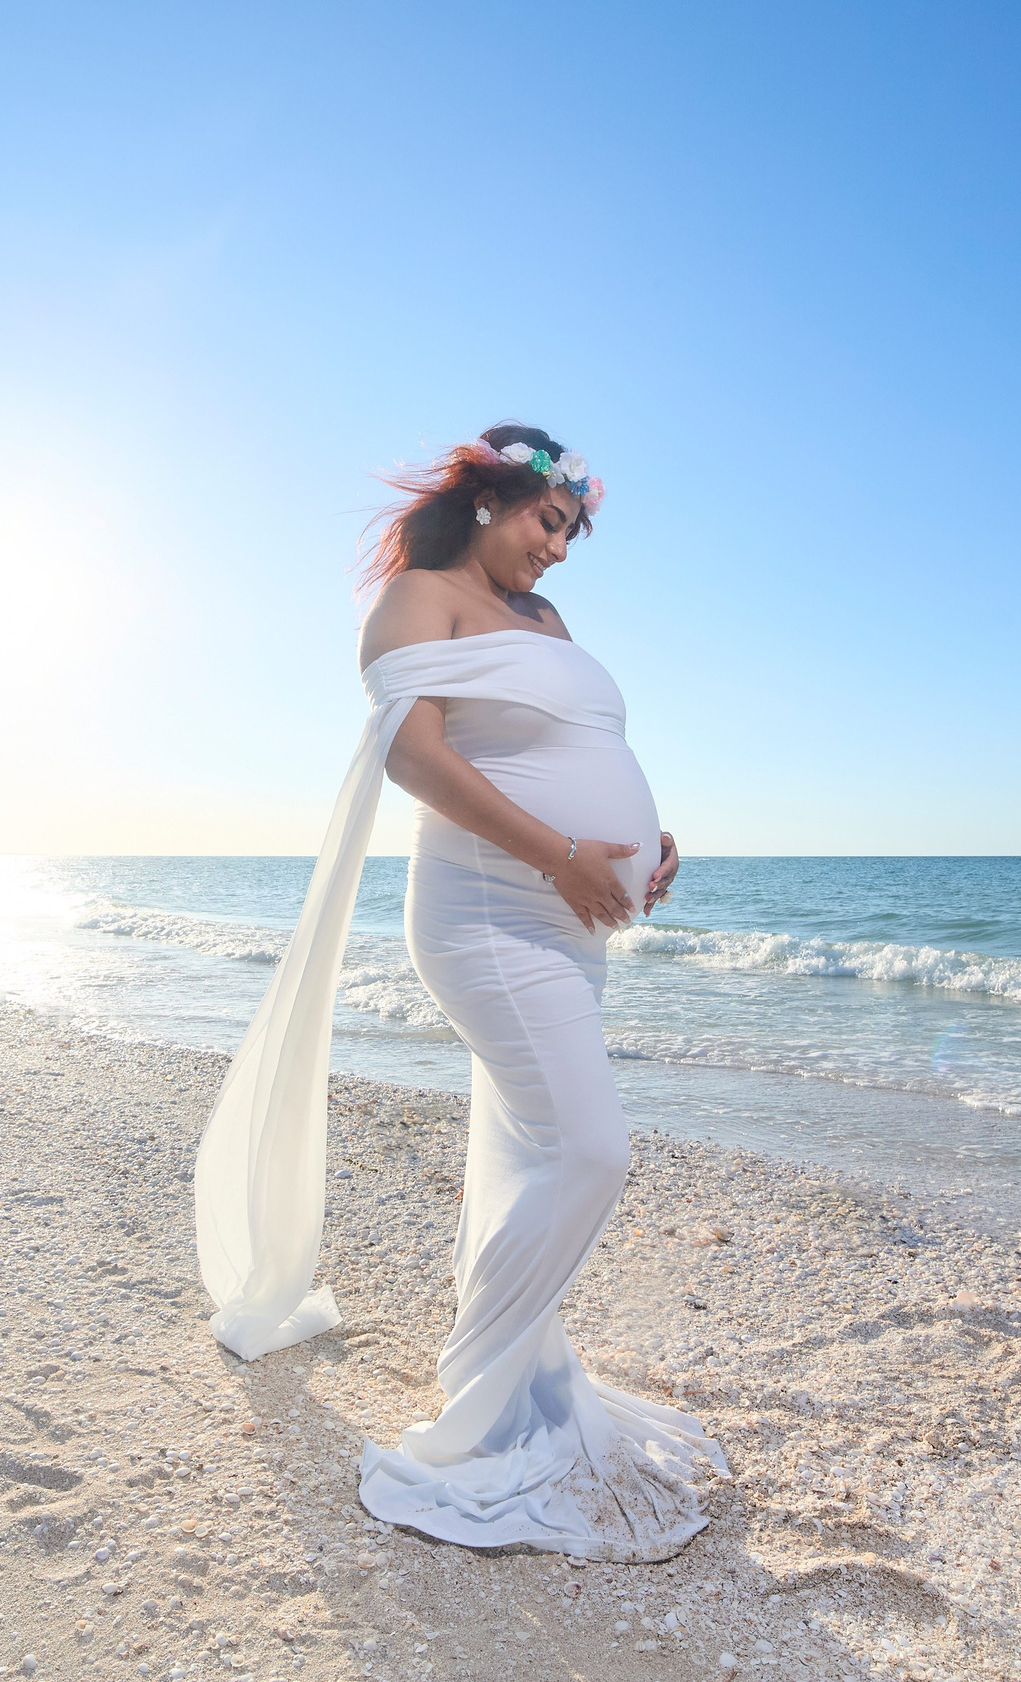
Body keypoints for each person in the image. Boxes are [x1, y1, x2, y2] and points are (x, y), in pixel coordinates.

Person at [191, 423, 723, 1562]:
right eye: (550, 521)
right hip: (489, 915)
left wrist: (645, 839)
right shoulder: (416, 598)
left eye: (573, 531)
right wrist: (563, 853)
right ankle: (473, 1411)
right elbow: (417, 758)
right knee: (590, 1152)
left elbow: (572, 736)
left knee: (534, 1153)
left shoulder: (545, 620)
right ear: (490, 500)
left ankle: (525, 1376)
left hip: (568, 919)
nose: (562, 549)